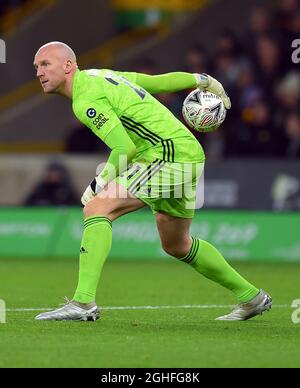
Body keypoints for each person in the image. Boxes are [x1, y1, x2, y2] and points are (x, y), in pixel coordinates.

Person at [33, 41, 272, 322]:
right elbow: (156, 82)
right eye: (36, 67)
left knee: (97, 208)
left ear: (68, 65)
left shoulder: (85, 99)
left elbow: (124, 149)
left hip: (166, 155)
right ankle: (252, 297)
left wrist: (97, 184)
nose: (39, 72)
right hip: (187, 153)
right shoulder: (102, 75)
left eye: (45, 64)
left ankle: (83, 303)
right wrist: (202, 80)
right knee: (177, 244)